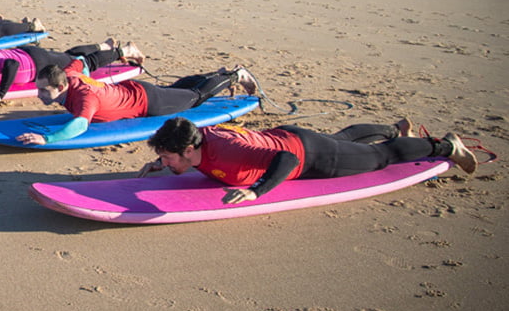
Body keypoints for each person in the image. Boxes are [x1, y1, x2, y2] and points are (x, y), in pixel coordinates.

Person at [139, 115, 479, 205]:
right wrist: (162, 163)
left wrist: (257, 191)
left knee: (379, 156)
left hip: (310, 155)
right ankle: (394, 127)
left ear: (188, 150)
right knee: (343, 139)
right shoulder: (195, 140)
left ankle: (444, 146)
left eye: (168, 157)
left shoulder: (228, 151)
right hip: (289, 134)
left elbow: (285, 160)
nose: (165, 162)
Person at [14, 64, 258, 146]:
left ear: (61, 87)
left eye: (44, 90)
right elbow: (79, 63)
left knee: (194, 97)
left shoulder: (85, 99)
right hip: (136, 89)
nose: (39, 95)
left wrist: (47, 139)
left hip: (148, 103)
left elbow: (79, 126)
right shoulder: (67, 75)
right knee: (178, 90)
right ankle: (218, 74)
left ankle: (236, 76)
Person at [0, 37, 145, 107]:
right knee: (68, 55)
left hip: (34, 64)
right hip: (27, 52)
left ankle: (124, 50)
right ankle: (104, 46)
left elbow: (11, 65)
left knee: (79, 65)